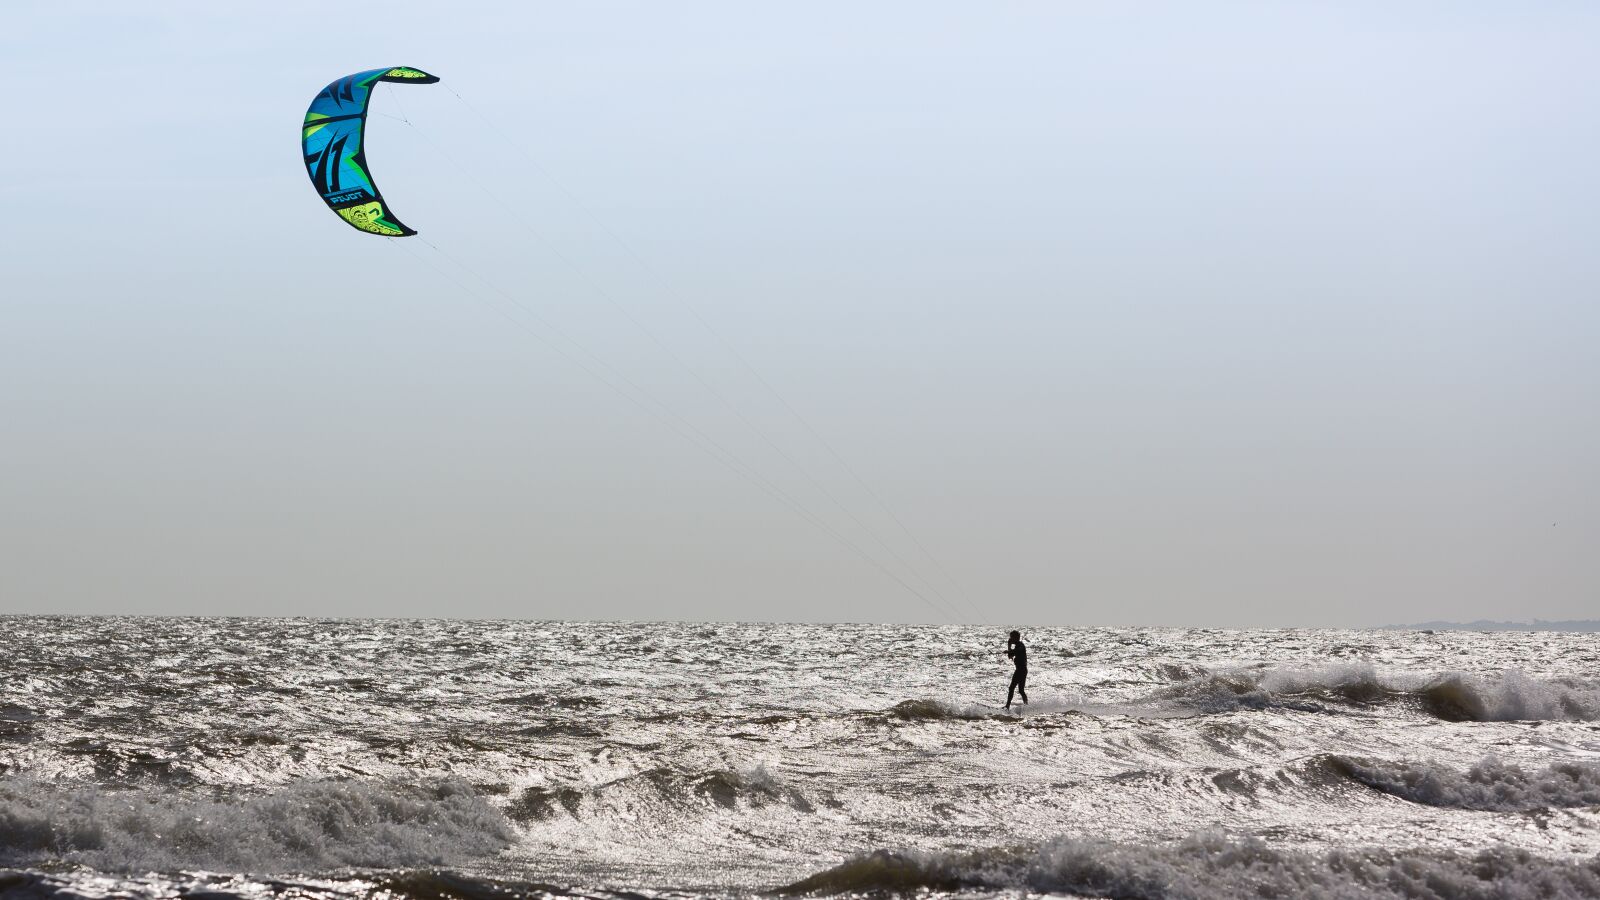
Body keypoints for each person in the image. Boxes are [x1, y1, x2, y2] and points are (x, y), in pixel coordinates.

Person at [1005, 630, 1028, 709]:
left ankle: (1007, 706)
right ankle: (1026, 705)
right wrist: (1009, 645)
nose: (1010, 639)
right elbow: (1010, 656)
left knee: (1012, 688)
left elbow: (1018, 651)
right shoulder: (1016, 646)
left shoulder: (1021, 645)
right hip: (1021, 670)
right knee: (1021, 690)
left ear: (1016, 638)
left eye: (1011, 637)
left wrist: (1009, 650)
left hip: (1021, 670)